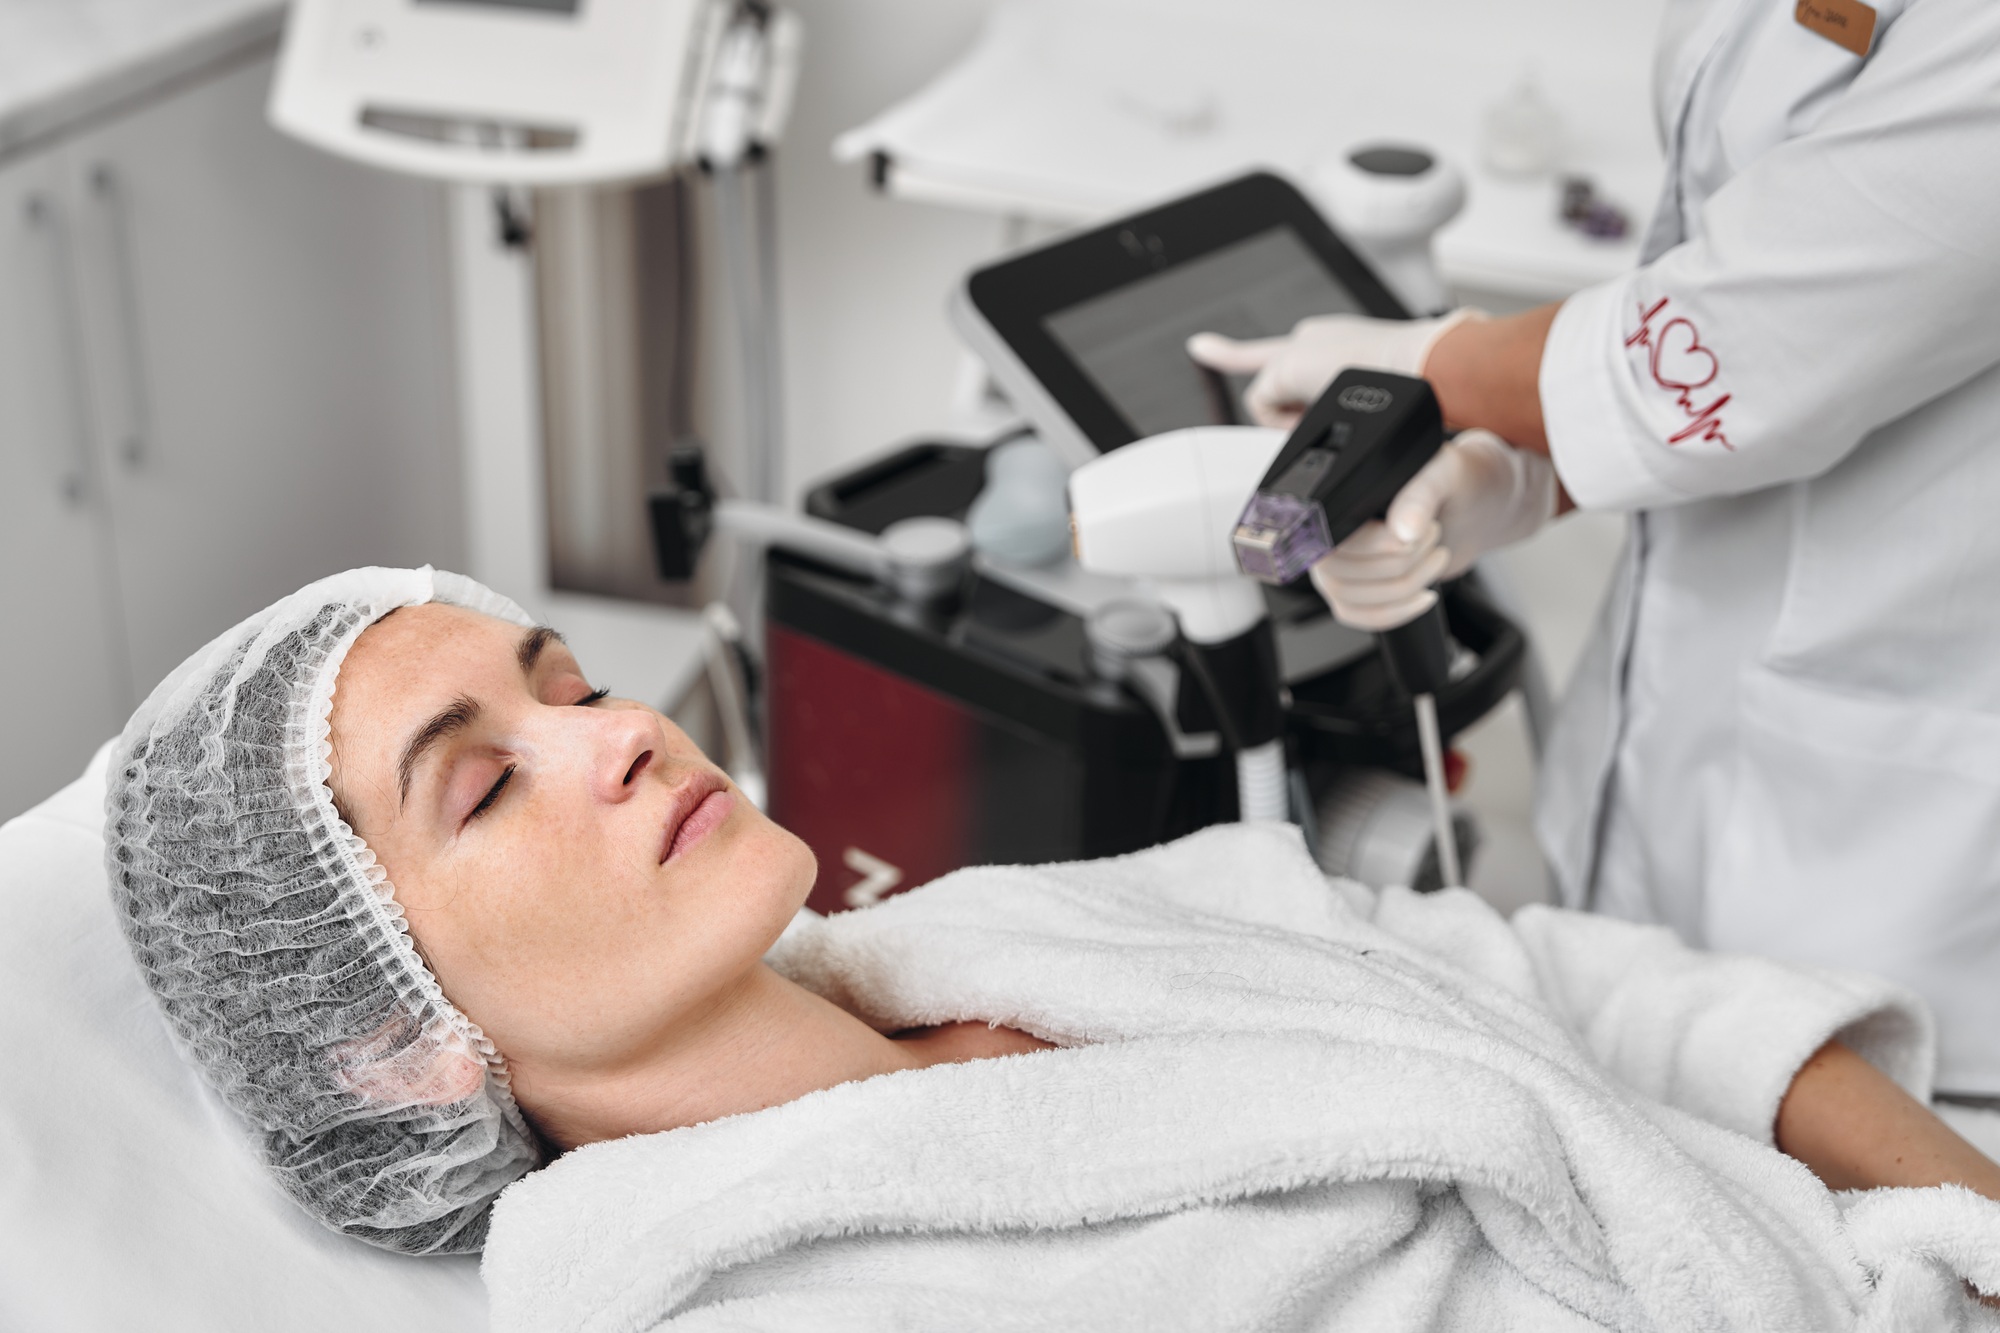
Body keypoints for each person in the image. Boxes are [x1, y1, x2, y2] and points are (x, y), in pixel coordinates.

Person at [103, 568, 2000, 1328]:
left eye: (573, 679)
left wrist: (1967, 1218)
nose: (619, 729)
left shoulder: (997, 925)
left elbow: (1560, 979)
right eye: (487, 787)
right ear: (395, 1049)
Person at [1189, 0, 2000, 1105]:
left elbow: (1745, 344)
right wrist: (1515, 476)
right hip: (1656, 797)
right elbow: (1776, 306)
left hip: (1903, 888)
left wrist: (1430, 360)